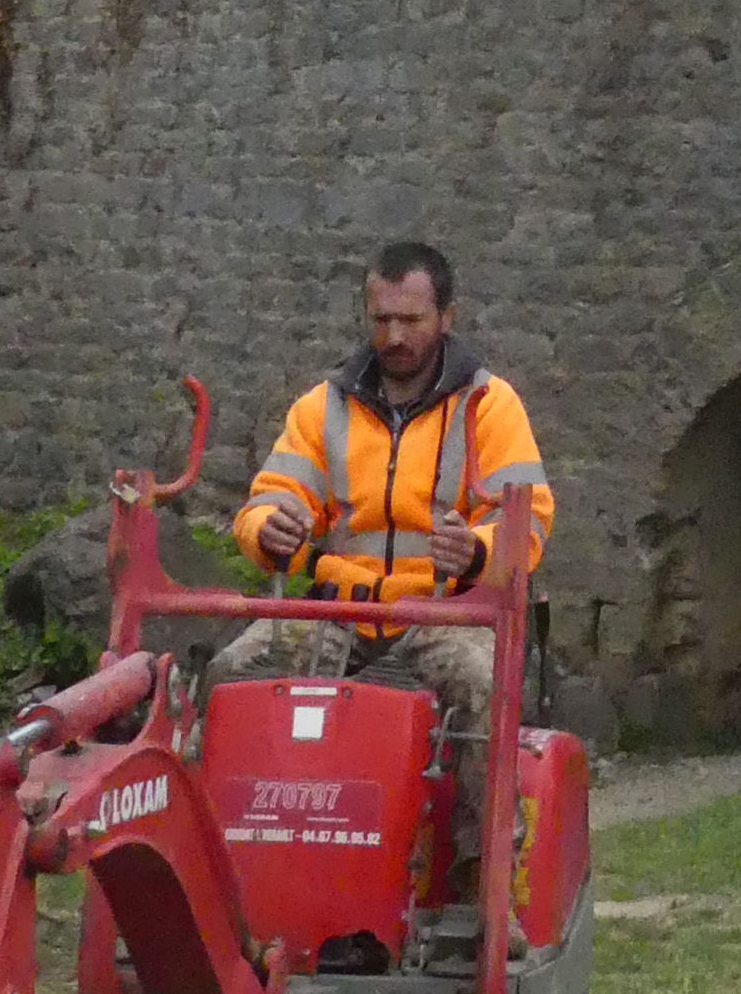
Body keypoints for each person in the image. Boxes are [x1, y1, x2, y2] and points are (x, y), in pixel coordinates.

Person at [220, 240, 555, 883]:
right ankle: (233, 875)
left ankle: (480, 887)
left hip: (444, 615)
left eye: (411, 320)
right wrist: (270, 532)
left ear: (446, 317)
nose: (395, 335)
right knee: (237, 674)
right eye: (382, 320)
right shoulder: (322, 407)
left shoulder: (491, 407)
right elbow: (266, 502)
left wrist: (479, 550)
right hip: (337, 611)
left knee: (485, 690)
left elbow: (530, 517)